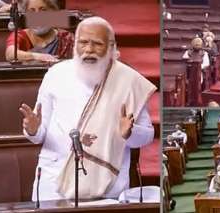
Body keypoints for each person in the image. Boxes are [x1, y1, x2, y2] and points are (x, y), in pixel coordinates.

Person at [19, 17, 157, 200]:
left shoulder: (128, 81)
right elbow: (40, 135)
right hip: (54, 182)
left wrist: (129, 133)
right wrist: (33, 129)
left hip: (107, 187)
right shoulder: (55, 74)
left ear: (111, 46)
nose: (89, 49)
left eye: (97, 44)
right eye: (83, 42)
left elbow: (147, 135)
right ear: (75, 44)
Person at [5, 0, 74, 63]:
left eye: (43, 10)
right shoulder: (20, 35)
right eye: (32, 11)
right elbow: (10, 54)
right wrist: (38, 56)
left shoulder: (67, 38)